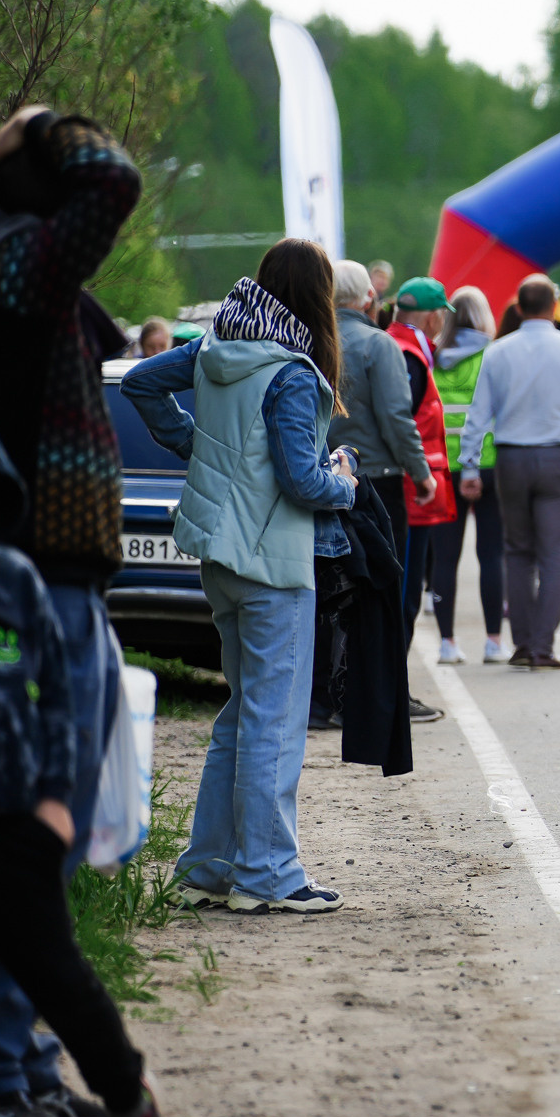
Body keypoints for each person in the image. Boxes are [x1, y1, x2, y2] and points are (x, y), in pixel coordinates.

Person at [0, 104, 138, 1117]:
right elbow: (113, 182)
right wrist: (41, 123)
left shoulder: (15, 269)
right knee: (7, 841)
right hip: (26, 588)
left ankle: (14, 1067)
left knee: (47, 841)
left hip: (66, 581)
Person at [0, 395, 173, 1117]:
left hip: (10, 825)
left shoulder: (13, 579)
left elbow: (55, 700)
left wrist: (53, 799)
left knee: (59, 979)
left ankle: (131, 1108)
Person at [123, 242, 360, 913]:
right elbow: (300, 478)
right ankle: (268, 876)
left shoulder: (215, 347)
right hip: (273, 562)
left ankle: (209, 867)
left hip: (219, 558)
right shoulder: (290, 372)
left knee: (241, 712)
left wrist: (196, 444)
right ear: (317, 297)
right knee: (274, 722)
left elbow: (141, 382)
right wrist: (344, 482)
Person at [457, 276, 560, 670]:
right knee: (555, 554)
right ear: (553, 305)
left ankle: (521, 644)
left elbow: (478, 415)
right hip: (559, 458)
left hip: (511, 459)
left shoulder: (498, 352)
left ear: (519, 308)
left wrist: (470, 464)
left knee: (518, 551)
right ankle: (543, 646)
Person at [330, 259, 437, 558]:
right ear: (367, 296)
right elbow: (396, 418)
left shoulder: (309, 341)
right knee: (383, 584)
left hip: (319, 479)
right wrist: (421, 474)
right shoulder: (379, 344)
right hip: (375, 480)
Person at [386, 280, 457, 706]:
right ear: (432, 317)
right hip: (412, 491)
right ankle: (395, 693)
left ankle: (391, 690)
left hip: (406, 487)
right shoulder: (411, 356)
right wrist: (423, 477)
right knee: (405, 597)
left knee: (401, 596)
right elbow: (403, 423)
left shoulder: (393, 346)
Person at [429, 286, 506, 665]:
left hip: (444, 468)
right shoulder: (493, 355)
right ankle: (494, 642)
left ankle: (447, 643)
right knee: (492, 555)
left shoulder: (433, 355)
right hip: (489, 466)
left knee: (445, 558)